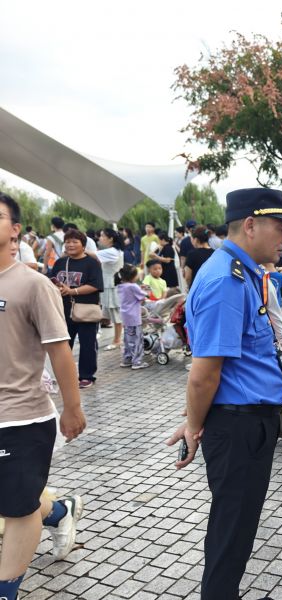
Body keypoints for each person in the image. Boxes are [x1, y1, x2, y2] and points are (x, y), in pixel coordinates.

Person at [166, 187, 282, 600]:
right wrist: (194, 425)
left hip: (248, 422)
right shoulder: (226, 280)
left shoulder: (242, 273)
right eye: (281, 229)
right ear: (250, 225)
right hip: (238, 426)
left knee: (238, 528)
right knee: (232, 531)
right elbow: (204, 375)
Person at [0, 194, 87, 600]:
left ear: (15, 230)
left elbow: (59, 350)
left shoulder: (33, 285)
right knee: (16, 493)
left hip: (21, 417)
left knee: (16, 509)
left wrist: (73, 408)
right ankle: (60, 511)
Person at [50, 229, 104, 390]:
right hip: (63, 310)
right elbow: (51, 281)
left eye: (75, 242)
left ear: (83, 245)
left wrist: (72, 291)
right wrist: (57, 288)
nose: (70, 245)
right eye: (67, 242)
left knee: (88, 344)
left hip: (85, 310)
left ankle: (87, 376)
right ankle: (63, 375)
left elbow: (95, 285)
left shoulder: (92, 263)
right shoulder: (60, 262)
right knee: (64, 345)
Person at [89, 228, 125, 351]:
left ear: (110, 238)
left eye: (102, 236)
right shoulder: (115, 250)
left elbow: (93, 255)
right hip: (111, 284)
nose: (100, 238)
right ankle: (116, 338)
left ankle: (117, 340)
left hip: (111, 285)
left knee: (115, 312)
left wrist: (80, 249)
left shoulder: (112, 251)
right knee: (112, 312)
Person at [116, 264, 149, 370]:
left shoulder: (121, 286)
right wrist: (146, 291)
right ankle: (137, 362)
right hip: (134, 317)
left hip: (125, 316)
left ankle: (127, 359)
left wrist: (140, 288)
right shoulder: (133, 286)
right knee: (137, 340)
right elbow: (143, 296)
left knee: (128, 339)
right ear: (132, 276)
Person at [183, 226, 215, 290]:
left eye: (191, 238)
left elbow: (188, 277)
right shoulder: (215, 253)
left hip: (197, 289)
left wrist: (189, 288)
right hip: (211, 288)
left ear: (196, 239)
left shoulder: (192, 254)